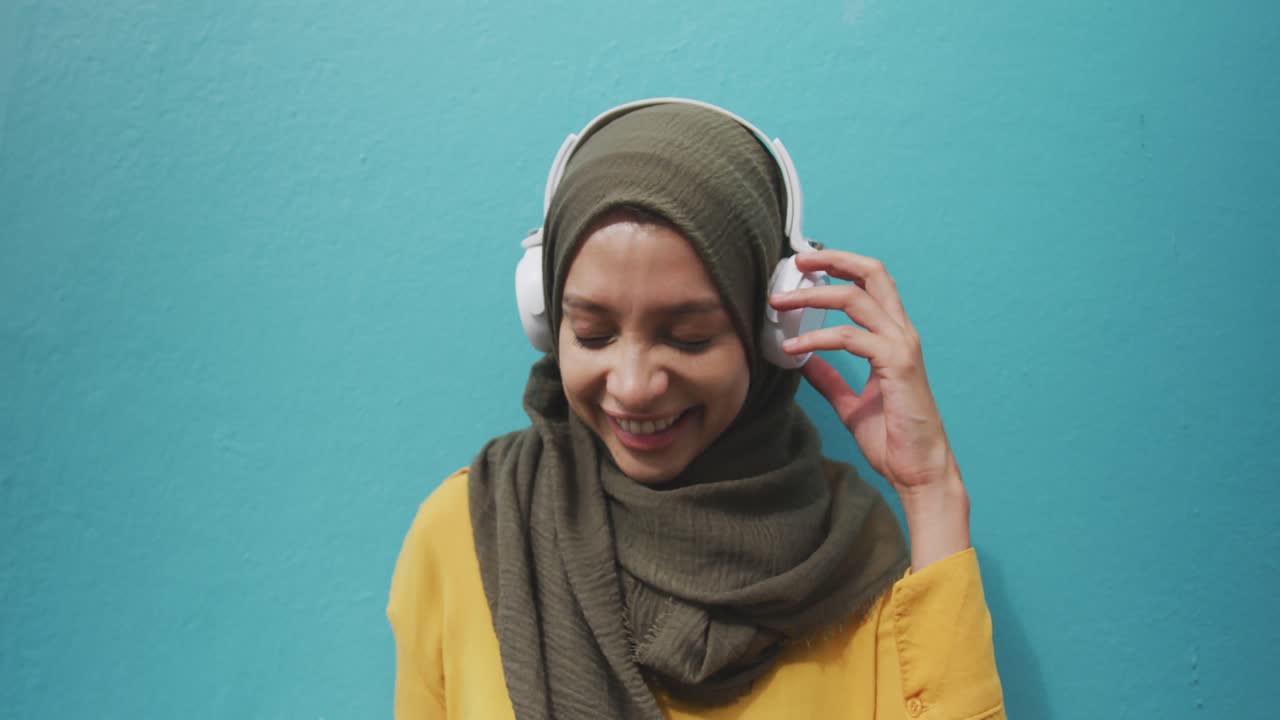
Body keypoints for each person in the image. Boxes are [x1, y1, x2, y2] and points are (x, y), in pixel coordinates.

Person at [387, 99, 1005, 719]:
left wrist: (932, 492)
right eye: (593, 335)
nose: (633, 386)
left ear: (770, 330)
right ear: (548, 323)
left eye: (689, 338)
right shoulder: (466, 534)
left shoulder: (851, 561)